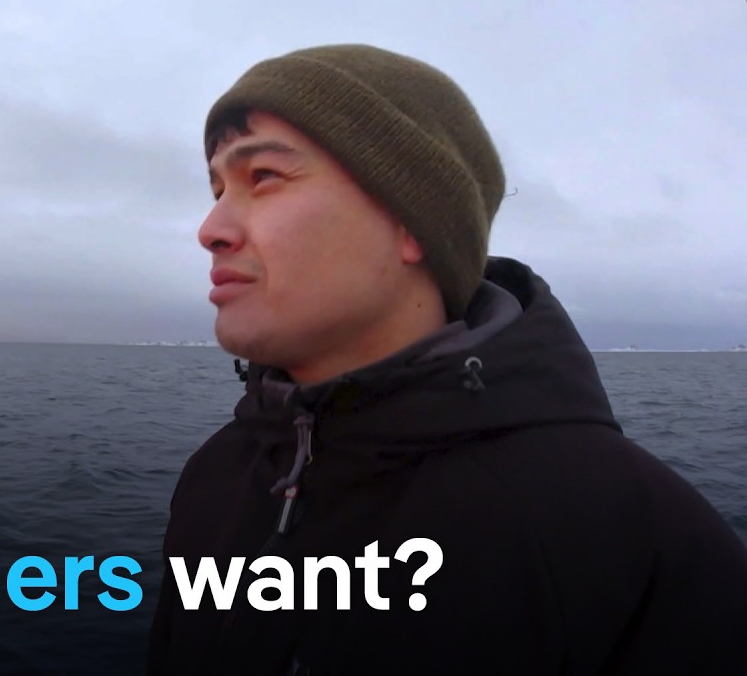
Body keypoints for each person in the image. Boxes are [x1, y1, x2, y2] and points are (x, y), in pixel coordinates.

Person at [145, 44, 747, 675]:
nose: (210, 229)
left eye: (263, 176)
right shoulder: (217, 474)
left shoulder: (621, 535)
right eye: (216, 189)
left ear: (413, 222)